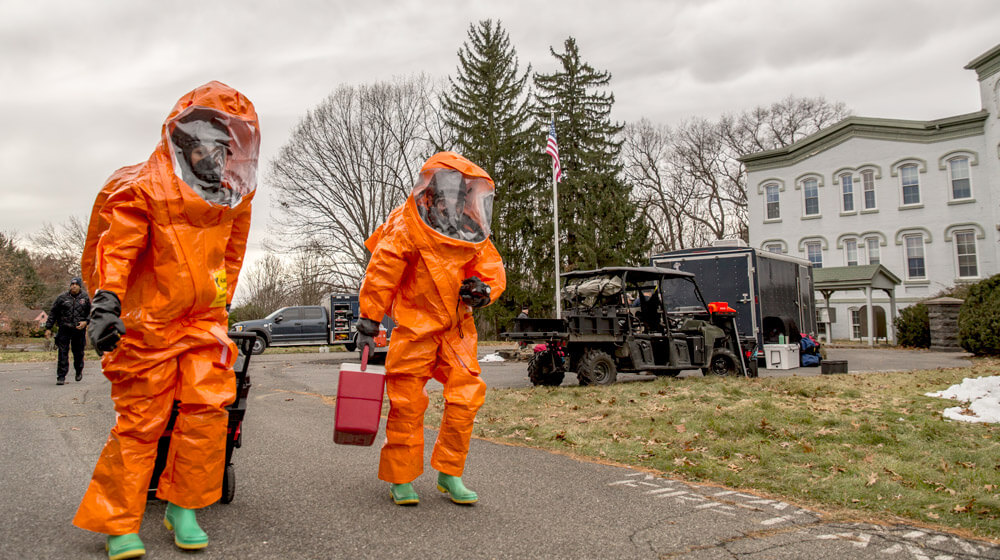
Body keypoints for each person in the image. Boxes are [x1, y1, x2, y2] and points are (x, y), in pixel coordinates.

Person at [73, 81, 260, 560]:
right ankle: (119, 520)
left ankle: (185, 506)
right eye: (204, 145)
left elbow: (230, 258)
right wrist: (108, 301)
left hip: (201, 321)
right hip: (148, 322)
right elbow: (119, 246)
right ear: (182, 141)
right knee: (140, 422)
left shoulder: (232, 198)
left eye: (225, 148)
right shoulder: (144, 187)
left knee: (207, 412)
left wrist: (220, 308)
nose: (215, 158)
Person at [356, 151, 505, 506]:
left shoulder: (471, 229)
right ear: (431, 194)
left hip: (456, 329)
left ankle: (450, 472)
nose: (451, 204)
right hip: (414, 327)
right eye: (445, 196)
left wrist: (484, 291)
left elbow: (492, 269)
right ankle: (401, 477)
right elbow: (383, 271)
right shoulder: (407, 226)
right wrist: (369, 320)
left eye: (457, 197)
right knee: (407, 403)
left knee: (466, 397)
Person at [44, 277, 91, 384]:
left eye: (76, 284)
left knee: (78, 353)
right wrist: (48, 328)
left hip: (78, 329)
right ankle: (61, 377)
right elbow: (53, 313)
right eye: (72, 284)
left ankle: (79, 370)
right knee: (62, 353)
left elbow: (92, 312)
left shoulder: (86, 298)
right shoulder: (62, 298)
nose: (74, 286)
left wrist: (86, 322)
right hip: (64, 329)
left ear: (80, 286)